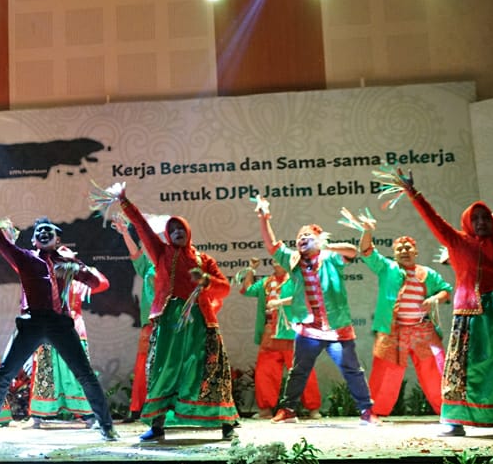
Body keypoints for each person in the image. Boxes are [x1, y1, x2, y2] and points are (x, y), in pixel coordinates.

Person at [381, 168, 493, 438]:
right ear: (467, 223)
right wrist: (413, 193)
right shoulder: (458, 243)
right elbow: (434, 221)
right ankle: (455, 420)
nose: (480, 222)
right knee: (470, 368)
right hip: (473, 316)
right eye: (475, 218)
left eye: (485, 217)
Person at [0, 171, 118, 441]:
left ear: (58, 240)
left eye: (49, 231)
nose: (43, 233)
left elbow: (97, 283)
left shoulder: (66, 262)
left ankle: (106, 426)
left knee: (85, 375)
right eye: (38, 232)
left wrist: (76, 265)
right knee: (5, 374)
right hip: (32, 323)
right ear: (33, 241)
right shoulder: (24, 258)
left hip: (60, 324)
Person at [110, 185, 238, 441]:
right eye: (173, 229)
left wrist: (206, 281)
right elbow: (143, 228)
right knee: (164, 369)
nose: (177, 232)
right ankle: (157, 425)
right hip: (169, 322)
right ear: (168, 235)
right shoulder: (161, 253)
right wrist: (124, 202)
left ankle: (226, 423)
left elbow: (224, 288)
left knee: (205, 369)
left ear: (188, 232)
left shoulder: (204, 260)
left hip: (200, 322)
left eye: (181, 229)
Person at [253, 197, 375, 424]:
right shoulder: (293, 259)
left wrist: (325, 246)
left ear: (318, 239)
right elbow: (272, 245)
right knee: (299, 370)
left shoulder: (330, 257)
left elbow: (352, 251)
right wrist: (264, 218)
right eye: (299, 236)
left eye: (307, 235)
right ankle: (288, 410)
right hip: (309, 329)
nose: (302, 239)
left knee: (352, 369)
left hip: (337, 328)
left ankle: (367, 411)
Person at [355, 218, 452, 418]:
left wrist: (434, 299)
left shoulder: (428, 273)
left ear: (416, 252)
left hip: (422, 330)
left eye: (408, 248)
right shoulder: (387, 268)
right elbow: (366, 251)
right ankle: (376, 414)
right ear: (394, 254)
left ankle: (448, 410)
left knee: (435, 369)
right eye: (400, 249)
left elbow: (445, 290)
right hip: (394, 330)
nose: (404, 251)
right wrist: (367, 230)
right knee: (386, 373)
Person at [235, 258, 323, 420]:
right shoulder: (266, 282)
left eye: (279, 258)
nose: (276, 261)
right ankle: (265, 410)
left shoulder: (297, 280)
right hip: (270, 333)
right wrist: (251, 269)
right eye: (274, 259)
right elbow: (247, 290)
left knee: (302, 369)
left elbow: (304, 299)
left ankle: (313, 408)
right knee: (265, 372)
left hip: (292, 332)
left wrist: (279, 302)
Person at [27, 269, 109, 428]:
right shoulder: (45, 281)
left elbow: (103, 283)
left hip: (74, 330)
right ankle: (37, 415)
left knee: (78, 373)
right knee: (46, 373)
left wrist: (86, 269)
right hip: (49, 330)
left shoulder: (79, 283)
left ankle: (88, 415)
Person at [111, 216, 156, 422]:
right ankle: (138, 408)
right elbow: (136, 255)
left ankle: (166, 409)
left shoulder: (173, 267)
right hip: (150, 324)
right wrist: (125, 233)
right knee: (142, 366)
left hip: (171, 325)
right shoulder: (149, 267)